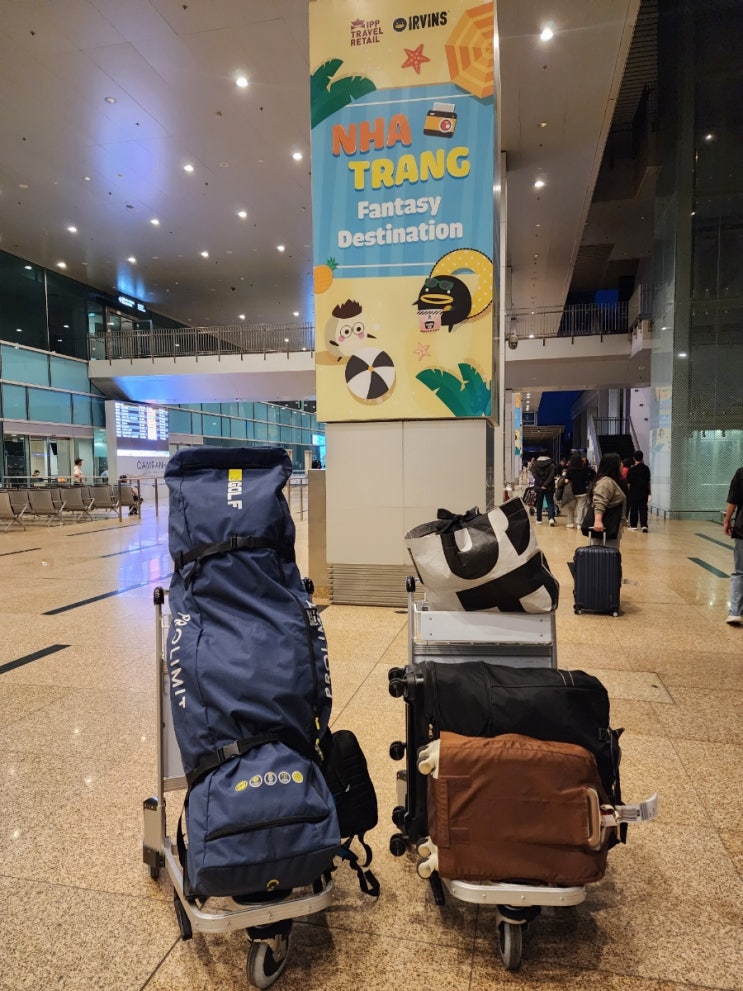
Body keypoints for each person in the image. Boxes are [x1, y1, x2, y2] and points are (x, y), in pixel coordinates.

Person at [588, 452, 627, 548]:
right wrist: (598, 521)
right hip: (606, 526)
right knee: (605, 552)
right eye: (620, 462)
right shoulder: (606, 482)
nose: (622, 464)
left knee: (609, 552)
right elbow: (599, 502)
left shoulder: (610, 481)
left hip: (612, 525)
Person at [722, 464, 743, 625]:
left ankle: (735, 612)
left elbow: (733, 500)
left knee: (740, 572)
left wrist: (727, 520)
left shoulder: (741, 472)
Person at [562, 452, 591, 528]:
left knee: (570, 508)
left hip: (572, 492)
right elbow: (587, 480)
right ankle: (579, 523)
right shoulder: (584, 470)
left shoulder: (570, 470)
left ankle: (570, 523)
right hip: (582, 491)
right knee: (580, 508)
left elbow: (566, 481)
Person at [626, 450, 652, 532]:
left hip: (634, 492)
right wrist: (650, 492)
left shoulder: (631, 469)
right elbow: (648, 481)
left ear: (634, 458)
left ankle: (633, 525)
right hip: (644, 491)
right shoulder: (646, 468)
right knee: (643, 508)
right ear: (642, 457)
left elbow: (629, 482)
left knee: (634, 508)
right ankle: (644, 525)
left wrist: (628, 492)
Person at [531, 454, 557, 526]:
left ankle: (539, 519)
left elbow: (535, 475)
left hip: (539, 487)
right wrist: (545, 485)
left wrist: (541, 484)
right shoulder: (551, 464)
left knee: (539, 503)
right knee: (550, 503)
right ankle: (551, 518)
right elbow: (552, 476)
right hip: (549, 486)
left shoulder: (535, 465)